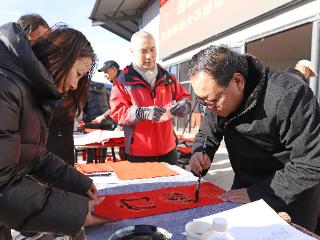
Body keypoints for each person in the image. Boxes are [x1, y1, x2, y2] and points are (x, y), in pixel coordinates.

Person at [188, 45, 320, 233]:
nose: (209, 108)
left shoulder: (290, 95)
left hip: (290, 193)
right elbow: (208, 132)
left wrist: (256, 193)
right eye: (202, 102)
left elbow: (310, 163)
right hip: (244, 186)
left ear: (238, 81)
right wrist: (201, 152)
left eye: (213, 101)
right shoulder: (215, 99)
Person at [0, 22, 108, 238]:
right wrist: (76, 212)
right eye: (77, 74)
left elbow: (33, 153)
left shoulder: (30, 89)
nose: (75, 86)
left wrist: (79, 183)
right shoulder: (7, 85)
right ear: (61, 57)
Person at [110, 31, 191, 165]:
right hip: (139, 152)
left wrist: (185, 105)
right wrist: (140, 113)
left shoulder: (168, 77)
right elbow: (117, 112)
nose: (149, 56)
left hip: (169, 149)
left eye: (152, 50)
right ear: (132, 51)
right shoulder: (122, 81)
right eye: (143, 51)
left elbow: (185, 97)